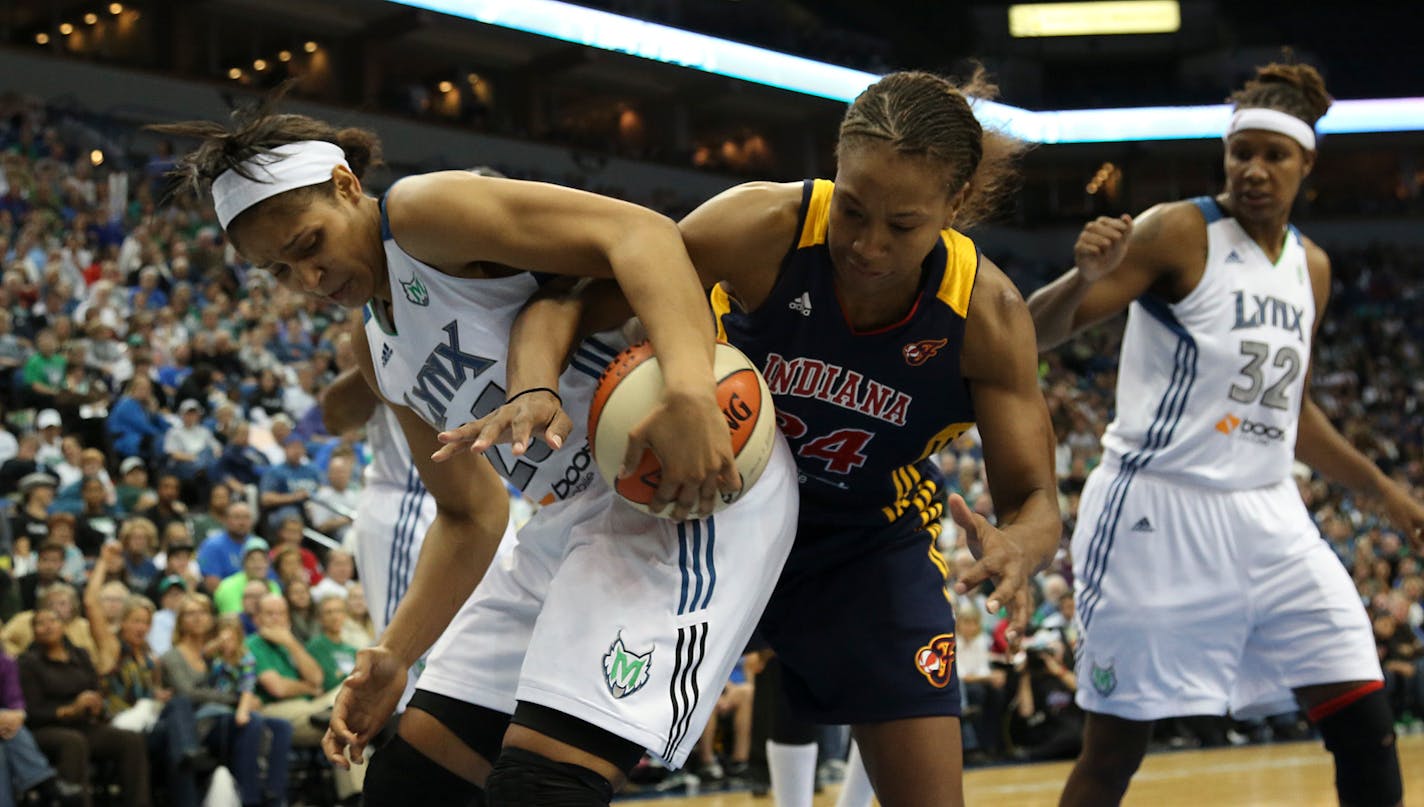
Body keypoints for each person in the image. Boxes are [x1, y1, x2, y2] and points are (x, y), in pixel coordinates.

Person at [155, 99, 798, 807]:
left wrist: (689, 389)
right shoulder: (376, 352)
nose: (307, 280)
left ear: (345, 187)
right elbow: (469, 515)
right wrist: (394, 653)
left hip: (679, 495)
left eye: (308, 246)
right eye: (277, 271)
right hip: (567, 520)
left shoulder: (425, 213)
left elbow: (640, 232)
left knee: (540, 786)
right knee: (408, 782)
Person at [451, 68, 1060, 806]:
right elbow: (576, 291)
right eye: (854, 209)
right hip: (712, 515)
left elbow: (1034, 495)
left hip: (862, 545)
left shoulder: (988, 313)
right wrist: (535, 383)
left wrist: (1020, 545)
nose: (867, 244)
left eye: (902, 225)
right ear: (835, 167)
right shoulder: (763, 225)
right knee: (532, 761)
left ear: (955, 204)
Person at [1024, 62, 1421, 807]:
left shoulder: (1314, 267)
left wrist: (1386, 493)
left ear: (1307, 163)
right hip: (1155, 508)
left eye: (1276, 155)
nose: (1255, 170)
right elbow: (1033, 335)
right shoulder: (1179, 230)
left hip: (1270, 512)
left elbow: (1292, 414)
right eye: (1243, 153)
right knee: (1115, 747)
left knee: (1364, 714)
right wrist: (1082, 277)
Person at [161, 599, 293, 807]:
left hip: (231, 715)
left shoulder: (230, 652)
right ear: (180, 622)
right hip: (202, 720)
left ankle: (274, 795)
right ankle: (250, 799)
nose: (197, 618)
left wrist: (246, 698)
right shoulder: (180, 655)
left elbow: (244, 679)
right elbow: (189, 693)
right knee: (253, 722)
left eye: (203, 612)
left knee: (282, 727)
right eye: (190, 613)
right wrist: (238, 699)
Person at [18, 608, 150, 807]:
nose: (47, 627)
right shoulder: (28, 663)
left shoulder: (80, 655)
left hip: (83, 724)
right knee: (73, 742)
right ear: (34, 632)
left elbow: (94, 688)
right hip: (46, 729)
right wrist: (70, 710)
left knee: (130, 740)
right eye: (40, 623)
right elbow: (32, 712)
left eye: (52, 620)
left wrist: (96, 706)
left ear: (63, 626)